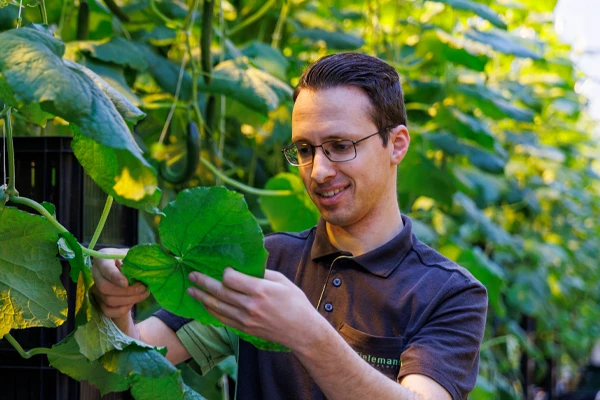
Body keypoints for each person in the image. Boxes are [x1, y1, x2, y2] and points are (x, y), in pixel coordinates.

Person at [92, 52, 488, 400]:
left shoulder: (450, 293)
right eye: (304, 149)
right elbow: (131, 363)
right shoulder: (267, 261)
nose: (318, 171)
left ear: (397, 144)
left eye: (339, 146)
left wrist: (307, 333)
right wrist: (117, 307)